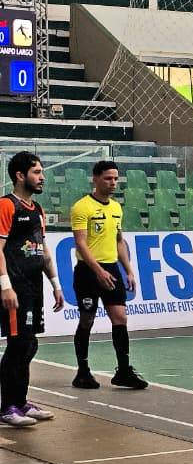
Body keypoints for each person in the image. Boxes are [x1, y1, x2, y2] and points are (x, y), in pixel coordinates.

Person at [69, 160, 146, 390]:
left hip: (111, 269)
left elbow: (119, 240)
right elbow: (81, 244)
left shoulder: (116, 208)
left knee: (120, 318)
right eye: (108, 178)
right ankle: (82, 372)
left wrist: (129, 270)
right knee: (87, 320)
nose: (113, 183)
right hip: (88, 272)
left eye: (115, 178)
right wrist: (98, 270)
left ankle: (123, 370)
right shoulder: (82, 207)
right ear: (95, 178)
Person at [0, 152, 64, 427]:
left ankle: (21, 402)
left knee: (30, 344)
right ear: (20, 175)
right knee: (18, 345)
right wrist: (5, 286)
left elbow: (43, 249)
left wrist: (55, 284)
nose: (42, 177)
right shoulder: (5, 206)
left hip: (34, 286)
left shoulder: (36, 209)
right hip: (14, 287)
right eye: (37, 172)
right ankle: (7, 407)